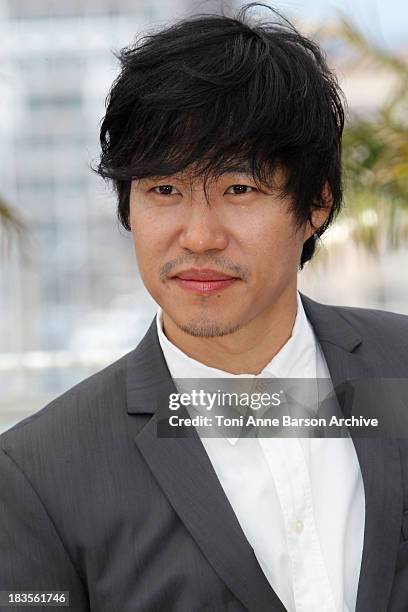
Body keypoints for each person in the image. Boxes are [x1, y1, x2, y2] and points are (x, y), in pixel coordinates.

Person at [1, 4, 408, 612]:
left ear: (316, 204)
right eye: (164, 190)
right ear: (127, 208)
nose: (198, 236)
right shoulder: (38, 472)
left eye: (238, 189)